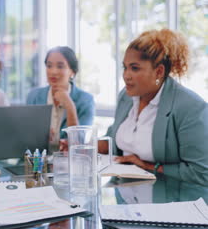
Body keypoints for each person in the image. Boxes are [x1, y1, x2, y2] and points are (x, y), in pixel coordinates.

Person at [100, 29, 208, 185]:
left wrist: (148, 167)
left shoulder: (190, 107)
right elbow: (114, 140)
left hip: (170, 200)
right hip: (124, 196)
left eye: (135, 68)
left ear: (158, 72)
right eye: (125, 67)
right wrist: (79, 144)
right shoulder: (126, 97)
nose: (126, 75)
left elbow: (201, 172)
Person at [26, 46, 95, 151]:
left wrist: (70, 106)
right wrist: (39, 138)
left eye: (60, 66)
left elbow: (79, 144)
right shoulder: (34, 96)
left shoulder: (86, 100)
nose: (53, 71)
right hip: (38, 161)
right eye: (49, 66)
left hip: (68, 162)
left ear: (72, 72)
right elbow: (25, 137)